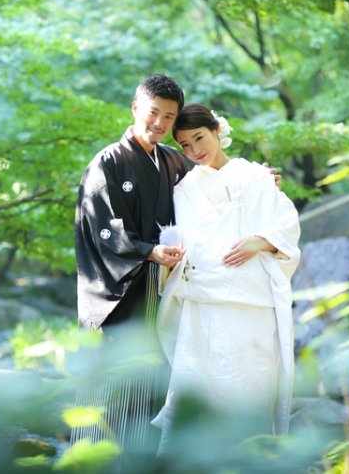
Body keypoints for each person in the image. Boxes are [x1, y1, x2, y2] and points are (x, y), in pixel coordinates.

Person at [150, 104, 301, 455]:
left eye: (199, 138)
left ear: (217, 131)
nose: (194, 151)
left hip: (251, 304)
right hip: (202, 303)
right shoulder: (183, 188)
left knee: (248, 386)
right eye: (185, 145)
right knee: (196, 387)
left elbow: (286, 224)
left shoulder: (255, 176)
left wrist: (259, 242)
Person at [71, 74, 194, 471]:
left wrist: (258, 179)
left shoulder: (172, 162)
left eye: (168, 117)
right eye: (153, 112)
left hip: (157, 294)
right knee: (112, 390)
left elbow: (214, 180)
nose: (158, 123)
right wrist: (148, 251)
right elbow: (103, 228)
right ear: (136, 108)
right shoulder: (107, 162)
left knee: (150, 390)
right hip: (118, 299)